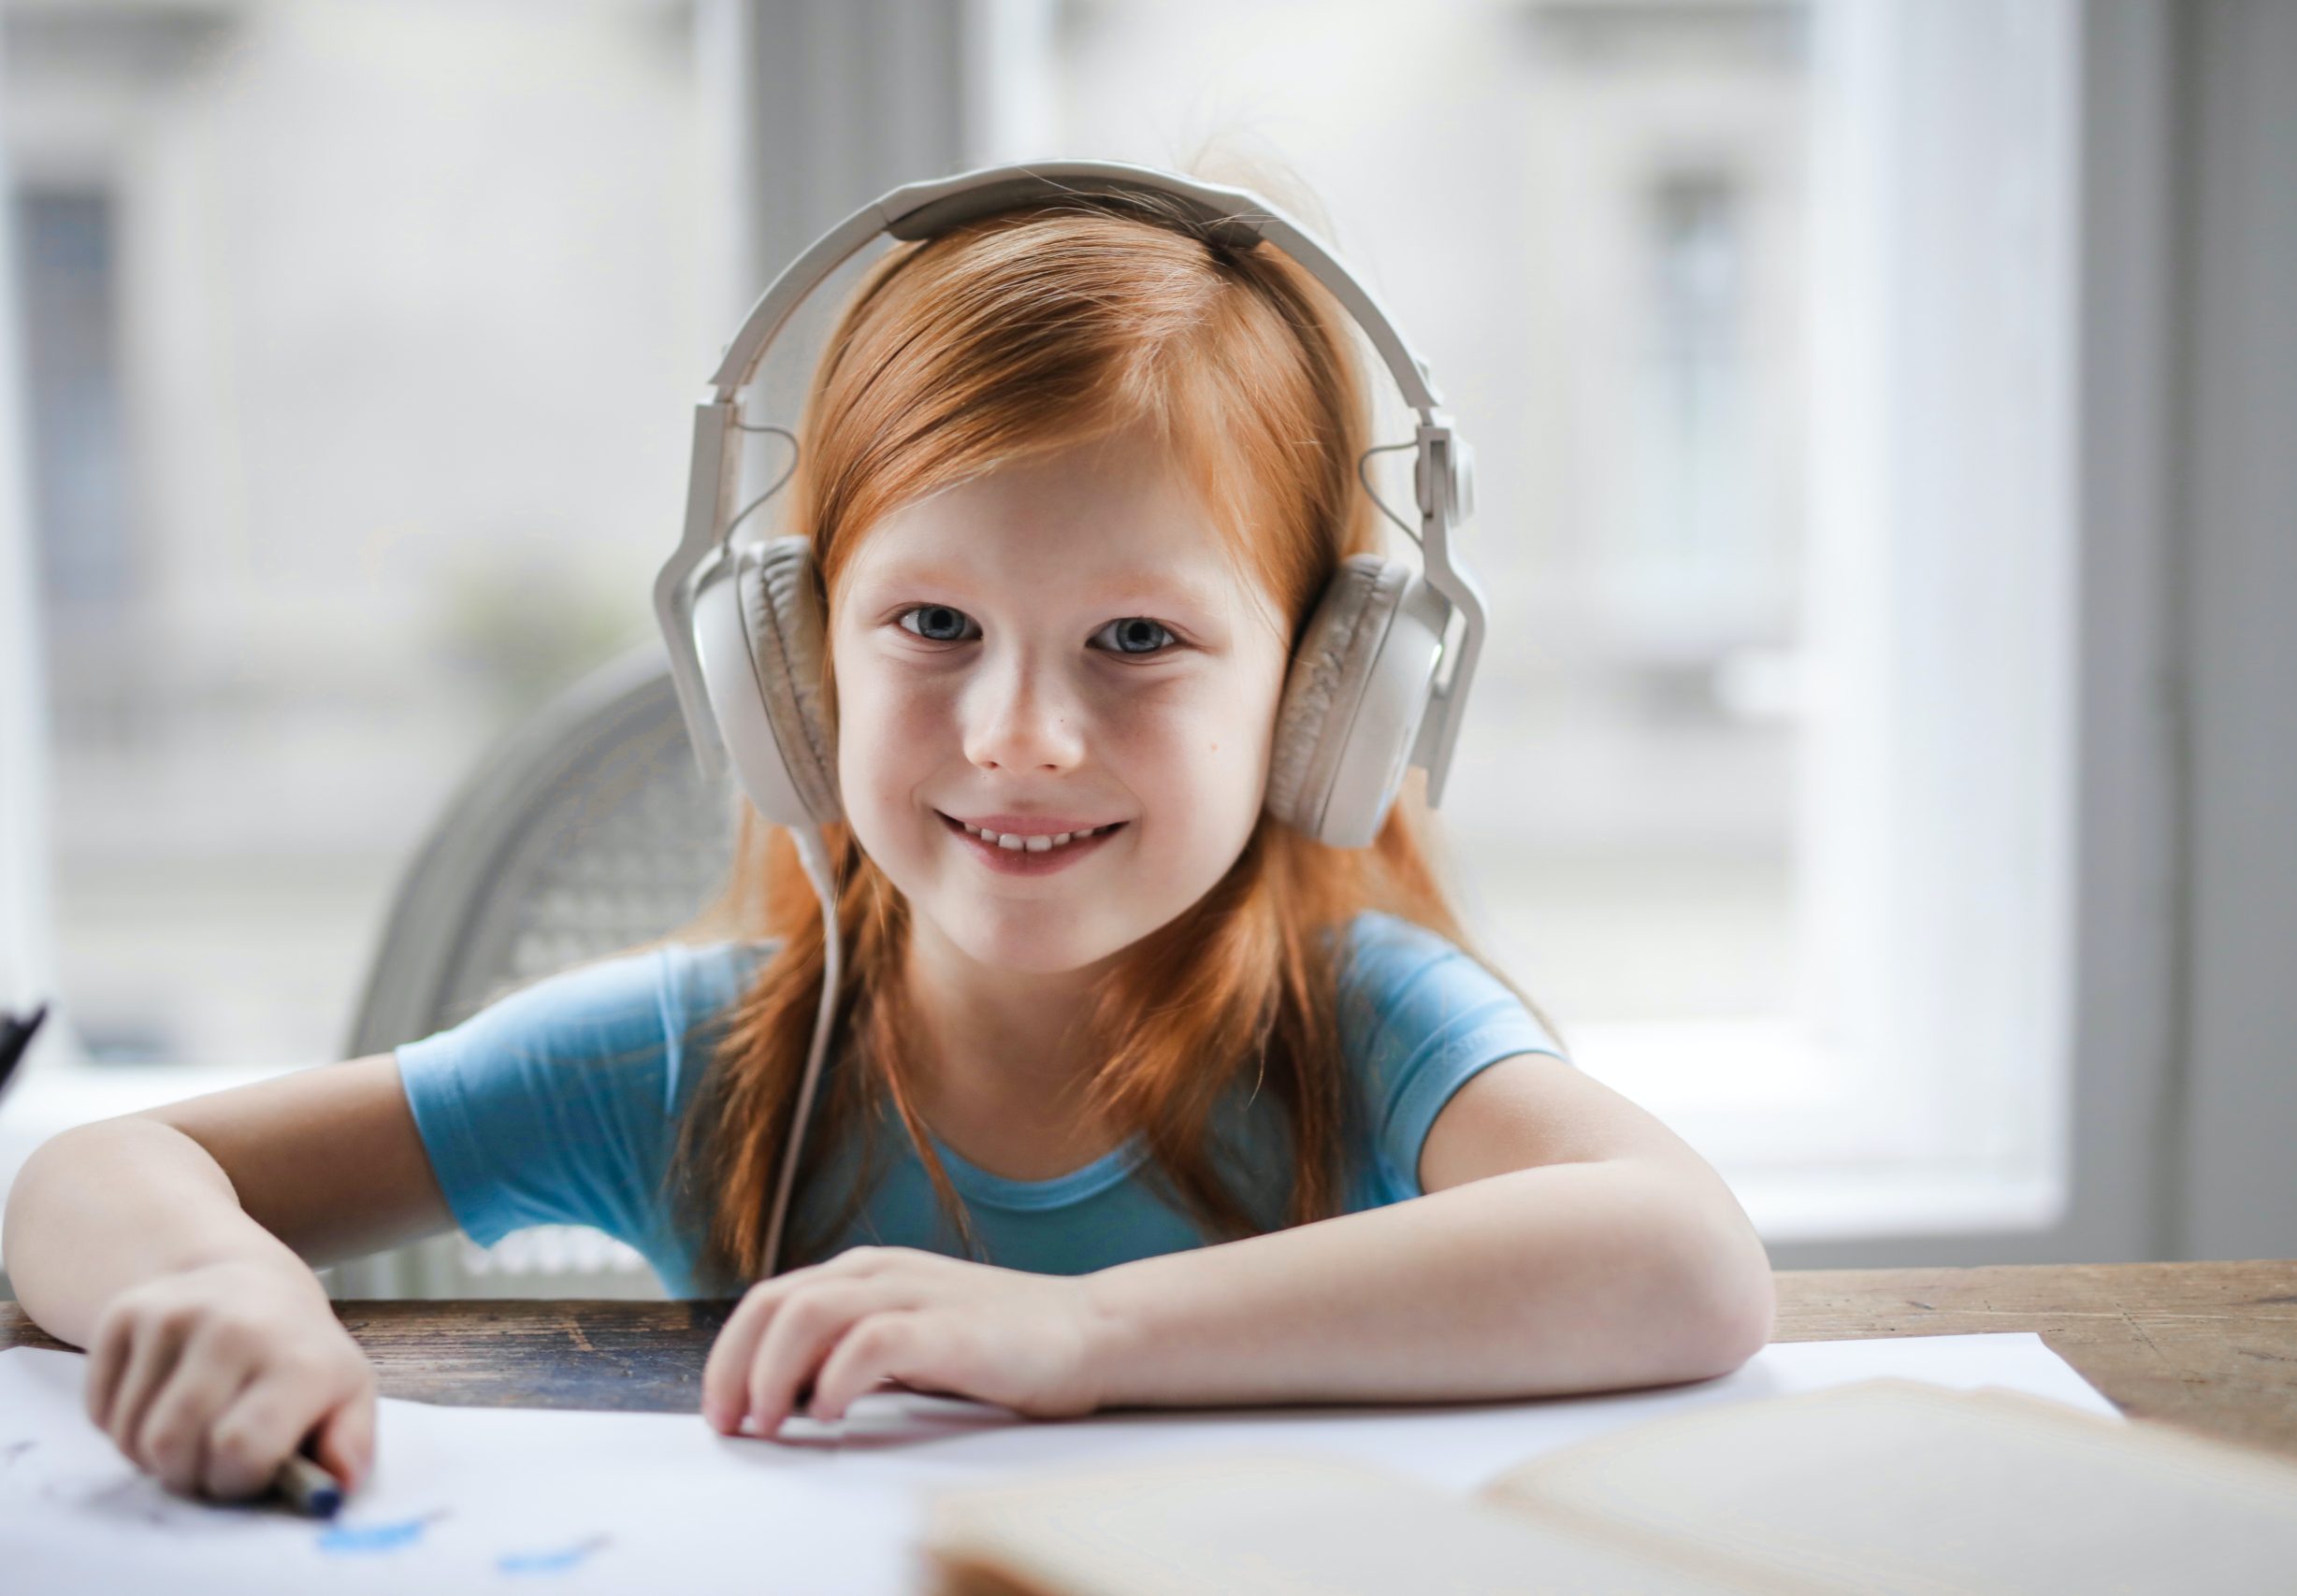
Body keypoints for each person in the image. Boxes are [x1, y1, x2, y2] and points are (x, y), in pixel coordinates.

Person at [1, 161, 1774, 1509]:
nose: (1019, 733)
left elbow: (1687, 1260)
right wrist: (225, 1287)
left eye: (1139, 639)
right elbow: (89, 1176)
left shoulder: (1366, 1028)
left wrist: (1077, 1342)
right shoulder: (693, 1059)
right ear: (789, 664)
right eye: (933, 626)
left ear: (1327, 695)